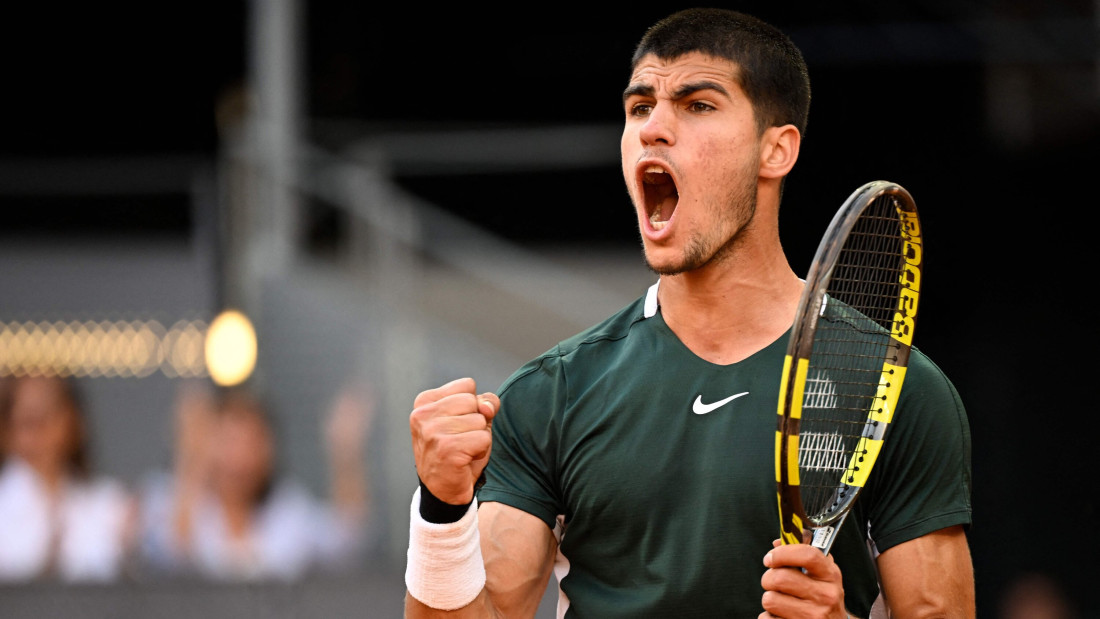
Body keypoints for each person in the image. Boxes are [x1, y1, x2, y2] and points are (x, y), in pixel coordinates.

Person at [405, 8, 974, 618]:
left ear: (776, 149)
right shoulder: (551, 393)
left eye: (697, 105)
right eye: (639, 107)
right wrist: (441, 511)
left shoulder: (896, 388)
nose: (654, 128)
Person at [138, 380, 373, 582]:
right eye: (228, 441)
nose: (239, 458)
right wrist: (190, 460)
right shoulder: (168, 501)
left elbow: (345, 537)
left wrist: (345, 450)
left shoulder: (288, 512)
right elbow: (171, 555)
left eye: (251, 443)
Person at [0, 375, 135, 582]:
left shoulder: (109, 504)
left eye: (48, 416)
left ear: (72, 421)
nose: (40, 435)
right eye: (28, 422)